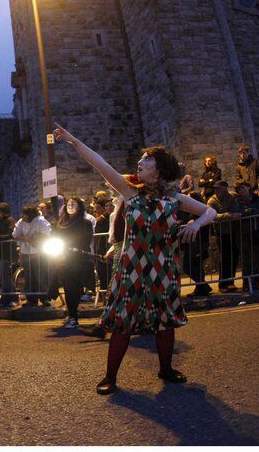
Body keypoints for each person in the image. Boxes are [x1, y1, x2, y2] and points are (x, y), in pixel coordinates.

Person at [53, 124, 216, 394]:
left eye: (147, 160)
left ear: (159, 169)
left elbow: (209, 211)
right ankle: (110, 377)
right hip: (131, 269)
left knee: (165, 321)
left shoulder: (173, 198)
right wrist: (72, 140)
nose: (140, 163)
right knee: (122, 323)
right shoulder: (130, 192)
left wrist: (196, 224)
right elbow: (99, 163)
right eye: (141, 159)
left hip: (163, 269)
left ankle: (165, 369)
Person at [52, 195, 95, 328]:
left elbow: (86, 240)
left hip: (78, 260)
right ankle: (71, 314)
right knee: (67, 287)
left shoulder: (85, 223)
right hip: (64, 259)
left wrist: (73, 247)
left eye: (74, 204)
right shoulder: (62, 223)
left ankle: (73, 317)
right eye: (69, 204)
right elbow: (56, 237)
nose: (70, 207)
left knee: (74, 289)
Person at [12, 204, 52, 307]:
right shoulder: (21, 222)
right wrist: (29, 239)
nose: (23, 216)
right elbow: (15, 235)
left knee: (41, 276)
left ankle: (44, 298)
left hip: (40, 252)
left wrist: (33, 239)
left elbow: (46, 234)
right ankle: (31, 299)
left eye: (25, 214)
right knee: (29, 277)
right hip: (26, 253)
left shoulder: (40, 221)